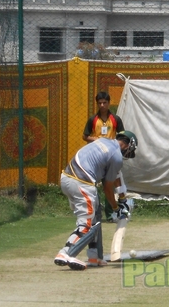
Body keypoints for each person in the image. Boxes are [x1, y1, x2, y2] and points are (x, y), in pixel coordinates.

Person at [54, 130, 138, 270]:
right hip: (81, 183)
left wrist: (123, 200)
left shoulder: (104, 141)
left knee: (96, 217)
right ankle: (65, 253)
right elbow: (107, 188)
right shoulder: (116, 156)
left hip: (67, 179)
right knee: (86, 225)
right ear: (128, 145)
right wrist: (116, 209)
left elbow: (116, 175)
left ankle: (95, 257)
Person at [83, 91, 126, 222]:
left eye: (104, 102)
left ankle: (111, 214)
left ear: (109, 103)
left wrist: (115, 145)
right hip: (96, 157)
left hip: (111, 157)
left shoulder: (116, 119)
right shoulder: (93, 120)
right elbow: (85, 136)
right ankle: (94, 215)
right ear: (97, 104)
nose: (102, 105)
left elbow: (122, 136)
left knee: (110, 185)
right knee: (93, 186)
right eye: (100, 103)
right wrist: (96, 140)